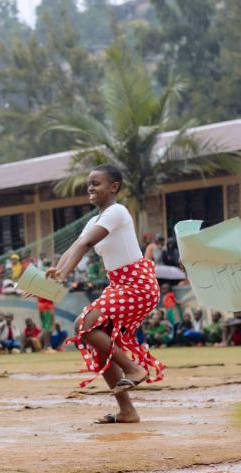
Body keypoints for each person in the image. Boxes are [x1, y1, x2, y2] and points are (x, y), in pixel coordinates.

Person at [45, 164, 164, 425]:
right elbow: (76, 246)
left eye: (96, 183)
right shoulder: (93, 220)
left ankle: (134, 368)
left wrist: (63, 275)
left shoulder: (117, 212)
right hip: (119, 285)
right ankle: (127, 411)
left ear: (114, 187)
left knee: (85, 324)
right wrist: (53, 276)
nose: (90, 187)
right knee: (98, 344)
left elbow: (86, 244)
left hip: (137, 285)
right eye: (89, 183)